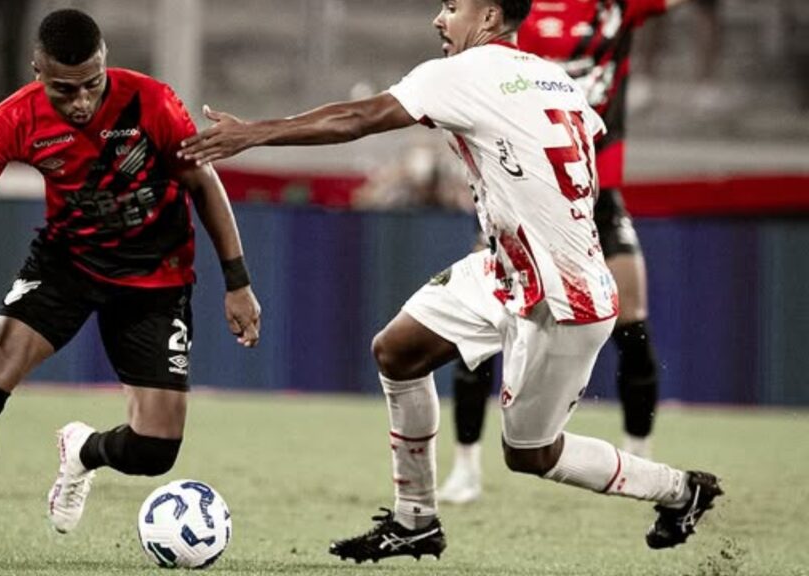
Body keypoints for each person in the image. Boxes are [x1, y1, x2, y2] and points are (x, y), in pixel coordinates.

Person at [179, 0, 721, 564]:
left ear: (488, 18)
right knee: (397, 352)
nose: (439, 18)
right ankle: (415, 520)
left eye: (453, 6)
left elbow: (360, 119)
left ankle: (681, 490)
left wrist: (255, 133)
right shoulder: (555, 78)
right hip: (510, 269)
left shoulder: (464, 72)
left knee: (531, 454)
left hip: (564, 300)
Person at [0, 8, 261, 560]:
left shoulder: (152, 103)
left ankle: (82, 451)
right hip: (67, 265)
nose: (82, 101)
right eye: (65, 90)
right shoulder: (12, 120)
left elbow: (203, 185)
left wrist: (237, 282)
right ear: (37, 71)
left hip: (155, 277)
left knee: (156, 450)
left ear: (105, 63)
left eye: (92, 84)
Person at [437, 0, 701, 506]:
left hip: (598, 192)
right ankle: (466, 468)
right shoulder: (520, 13)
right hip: (526, 192)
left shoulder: (617, 6)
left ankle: (638, 452)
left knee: (634, 320)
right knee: (479, 326)